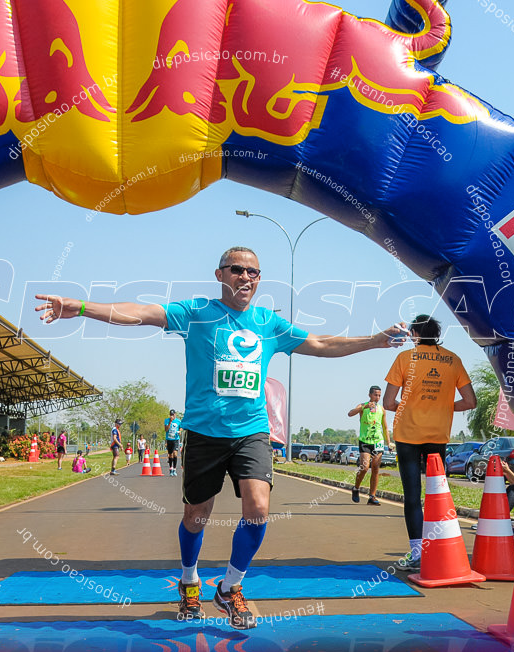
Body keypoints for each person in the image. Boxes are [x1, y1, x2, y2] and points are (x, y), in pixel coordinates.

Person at [35, 245, 405, 630]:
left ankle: (230, 587)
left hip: (252, 432)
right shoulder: (196, 313)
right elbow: (140, 314)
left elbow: (321, 344)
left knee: (258, 509)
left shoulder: (268, 323)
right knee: (196, 517)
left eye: (254, 272)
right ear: (220, 275)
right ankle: (189, 579)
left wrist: (374, 340)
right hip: (204, 434)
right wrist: (78, 307)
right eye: (237, 269)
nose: (246, 277)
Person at [383, 314, 476, 570]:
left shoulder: (404, 358)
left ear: (414, 334)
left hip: (407, 436)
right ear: (435, 334)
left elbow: (388, 403)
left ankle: (417, 555)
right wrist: (442, 405)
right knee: (438, 495)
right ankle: (442, 551)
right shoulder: (453, 359)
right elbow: (470, 401)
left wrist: (412, 405)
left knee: (412, 497)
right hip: (438, 436)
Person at [347, 386, 391, 505]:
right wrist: (363, 407)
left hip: (378, 442)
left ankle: (372, 496)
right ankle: (356, 488)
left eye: (379, 395)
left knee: (375, 468)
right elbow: (350, 414)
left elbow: (385, 427)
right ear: (370, 395)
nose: (377, 398)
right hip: (365, 441)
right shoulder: (362, 406)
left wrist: (389, 442)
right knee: (364, 467)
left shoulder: (382, 409)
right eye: (375, 395)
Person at [165, 409, 182, 477]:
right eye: (171, 415)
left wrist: (180, 431)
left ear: (175, 414)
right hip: (169, 439)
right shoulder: (166, 420)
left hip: (176, 439)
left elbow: (181, 428)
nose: (172, 416)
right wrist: (170, 422)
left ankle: (174, 469)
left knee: (175, 454)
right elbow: (166, 429)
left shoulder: (178, 421)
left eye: (173, 414)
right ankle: (171, 468)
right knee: (170, 455)